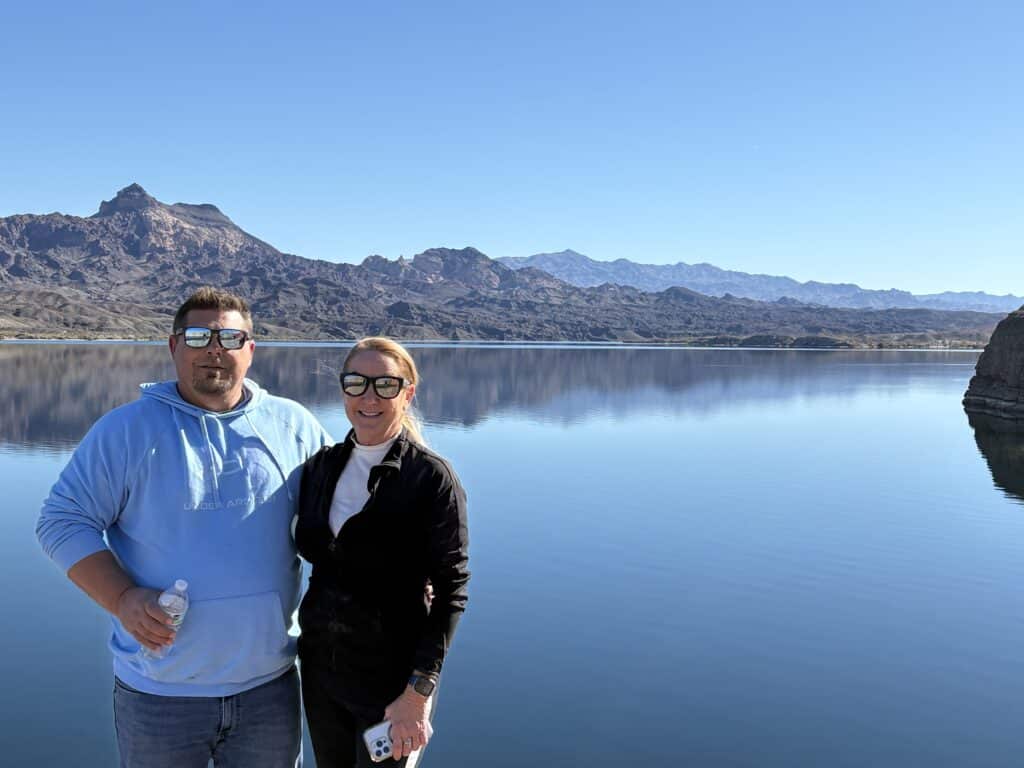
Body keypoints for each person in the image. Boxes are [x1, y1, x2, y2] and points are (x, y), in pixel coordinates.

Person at [35, 287, 330, 768]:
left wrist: (406, 572)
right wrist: (124, 599)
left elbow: (349, 517)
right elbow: (63, 520)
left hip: (269, 690)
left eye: (230, 337)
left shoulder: (292, 426)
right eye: (198, 335)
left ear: (250, 350)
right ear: (173, 346)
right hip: (159, 695)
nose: (215, 348)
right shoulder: (126, 431)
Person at [295, 337, 470, 768]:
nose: (369, 396)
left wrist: (418, 692)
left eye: (385, 385)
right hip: (322, 674)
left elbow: (452, 592)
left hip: (393, 685)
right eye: (357, 383)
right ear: (343, 390)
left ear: (407, 393)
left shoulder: (430, 478)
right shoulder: (321, 467)